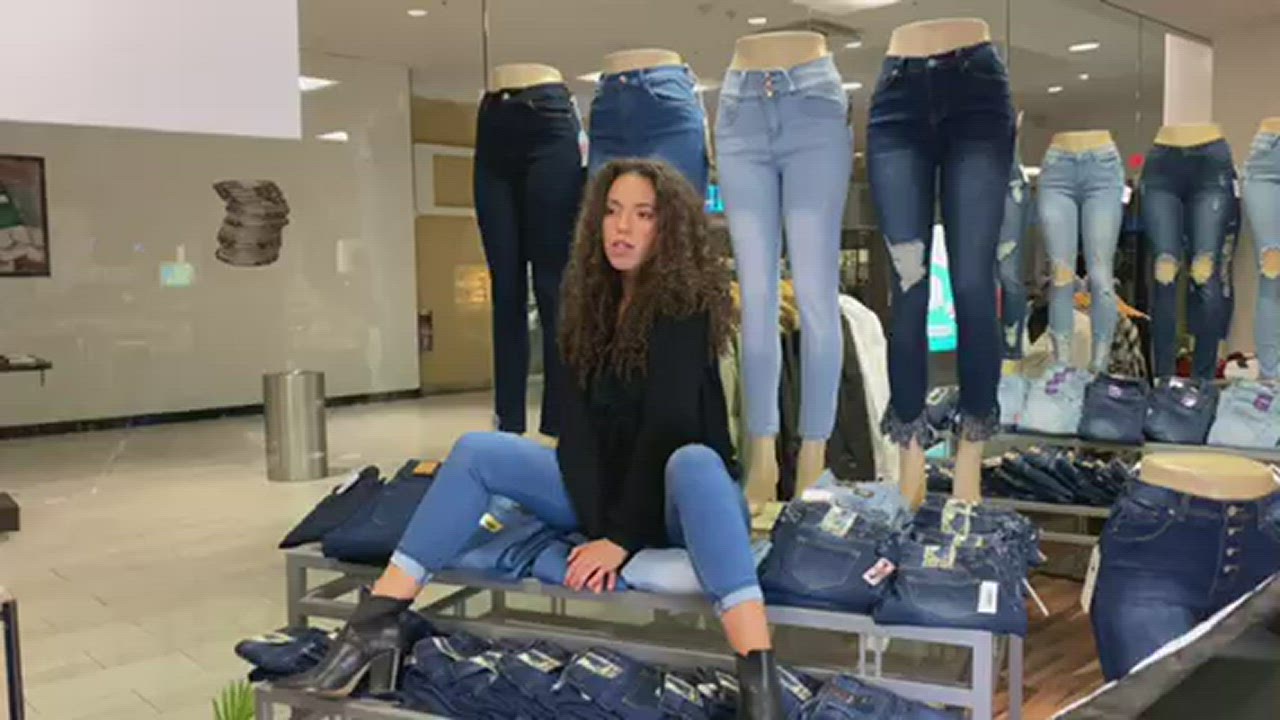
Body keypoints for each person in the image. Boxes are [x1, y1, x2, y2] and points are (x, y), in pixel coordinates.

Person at [278, 159, 785, 718]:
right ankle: (376, 624)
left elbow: (669, 428)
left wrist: (619, 540)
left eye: (644, 215)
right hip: (605, 494)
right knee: (477, 451)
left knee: (693, 461)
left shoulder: (686, 306)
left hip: (679, 502)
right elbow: (576, 432)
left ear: (670, 229)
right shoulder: (586, 302)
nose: (623, 227)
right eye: (613, 211)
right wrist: (597, 524)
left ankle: (758, 681)